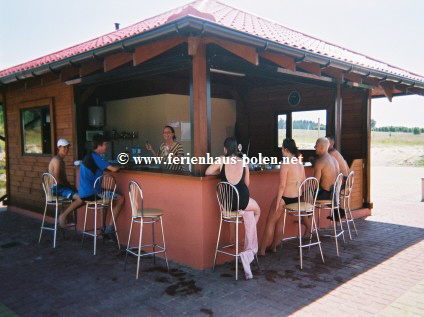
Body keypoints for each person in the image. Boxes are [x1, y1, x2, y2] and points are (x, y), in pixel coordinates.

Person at [259, 139, 305, 255]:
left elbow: (282, 186)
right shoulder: (299, 162)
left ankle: (262, 250)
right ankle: (274, 246)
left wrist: (278, 201)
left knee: (270, 221)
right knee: (279, 222)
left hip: (285, 197)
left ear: (286, 149)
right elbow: (304, 181)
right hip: (296, 198)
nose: (281, 151)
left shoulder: (285, 163)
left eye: (282, 148)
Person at [205, 137, 260, 223]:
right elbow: (247, 184)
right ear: (236, 149)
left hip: (227, 203)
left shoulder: (222, 159)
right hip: (242, 202)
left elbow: (208, 172)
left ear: (225, 149)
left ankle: (240, 216)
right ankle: (249, 236)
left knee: (234, 218)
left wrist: (220, 172)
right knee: (257, 211)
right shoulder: (243, 162)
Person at [79, 134, 124, 238]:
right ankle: (109, 228)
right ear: (99, 145)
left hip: (84, 194)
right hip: (93, 195)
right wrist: (121, 166)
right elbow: (114, 169)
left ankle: (103, 229)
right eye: (105, 144)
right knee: (121, 198)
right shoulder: (96, 157)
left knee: (106, 198)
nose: (106, 147)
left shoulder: (88, 156)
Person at [49, 139, 85, 228]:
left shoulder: (60, 160)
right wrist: (69, 186)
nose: (66, 149)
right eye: (64, 147)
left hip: (59, 187)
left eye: (67, 147)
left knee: (85, 197)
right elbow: (57, 179)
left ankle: (64, 212)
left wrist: (70, 186)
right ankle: (63, 216)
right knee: (80, 198)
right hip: (57, 188)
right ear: (59, 147)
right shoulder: (57, 160)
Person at [314, 137, 345, 220]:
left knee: (304, 197)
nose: (314, 148)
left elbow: (315, 184)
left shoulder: (320, 162)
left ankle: (308, 226)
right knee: (308, 195)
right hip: (335, 194)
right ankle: (336, 210)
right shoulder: (334, 160)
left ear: (321, 147)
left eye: (316, 146)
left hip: (327, 195)